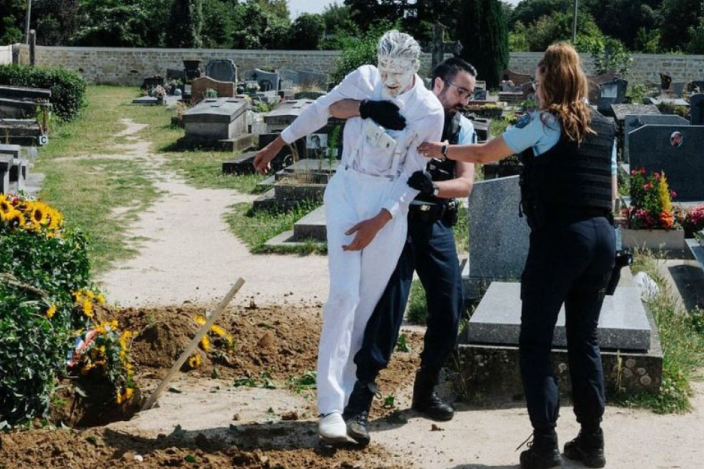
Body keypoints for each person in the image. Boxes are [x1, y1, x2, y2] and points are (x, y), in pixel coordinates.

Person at [419, 43, 617, 469]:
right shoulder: (606, 125)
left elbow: (488, 153)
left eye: (539, 81)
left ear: (551, 81)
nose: (536, 88)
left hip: (561, 238)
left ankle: (544, 443)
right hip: (603, 238)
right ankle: (592, 440)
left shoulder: (543, 123)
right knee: (585, 340)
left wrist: (441, 150)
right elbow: (612, 193)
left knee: (536, 341)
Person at [253, 31, 444, 446]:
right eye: (385, 70)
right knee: (343, 295)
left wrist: (382, 218)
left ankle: (345, 399)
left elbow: (415, 175)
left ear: (415, 68)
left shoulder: (429, 109)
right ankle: (329, 407)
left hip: (387, 206)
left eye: (398, 74)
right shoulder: (365, 78)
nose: (389, 80)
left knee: (366, 305)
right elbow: (324, 109)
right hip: (347, 190)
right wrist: (279, 143)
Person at [324, 57, 478, 440]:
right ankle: (358, 405)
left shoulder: (464, 128)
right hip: (397, 223)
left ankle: (425, 391)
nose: (465, 101)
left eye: (470, 94)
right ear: (438, 85)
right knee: (388, 311)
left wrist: (433, 188)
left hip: (435, 223)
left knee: (449, 304)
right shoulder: (406, 112)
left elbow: (465, 184)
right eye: (461, 92)